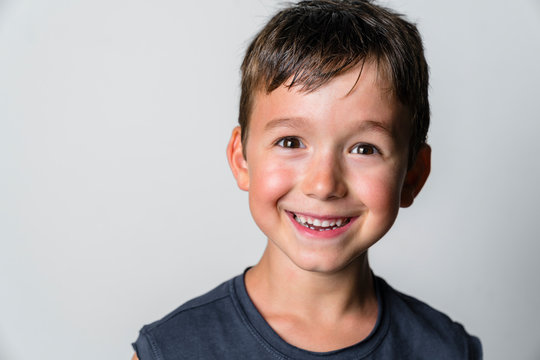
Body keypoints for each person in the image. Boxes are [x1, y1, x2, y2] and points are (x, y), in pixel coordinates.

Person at [132, 1, 482, 358]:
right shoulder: (171, 350)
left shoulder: (449, 350)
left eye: (364, 149)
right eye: (290, 142)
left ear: (413, 175)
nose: (323, 185)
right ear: (242, 160)